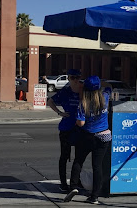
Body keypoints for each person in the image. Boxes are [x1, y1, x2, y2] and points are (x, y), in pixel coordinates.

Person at [64, 76, 112, 204]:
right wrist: (101, 81)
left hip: (87, 136)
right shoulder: (105, 97)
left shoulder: (83, 103)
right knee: (97, 166)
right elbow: (109, 86)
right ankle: (94, 196)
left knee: (78, 161)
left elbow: (80, 123)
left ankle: (73, 187)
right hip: (104, 136)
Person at [46, 69, 83, 192]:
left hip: (80, 127)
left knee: (79, 156)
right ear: (68, 78)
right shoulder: (65, 92)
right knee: (65, 156)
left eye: (78, 77)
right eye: (73, 78)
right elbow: (50, 101)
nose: (76, 80)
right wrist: (59, 112)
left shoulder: (83, 91)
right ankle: (63, 182)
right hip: (66, 127)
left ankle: (76, 181)